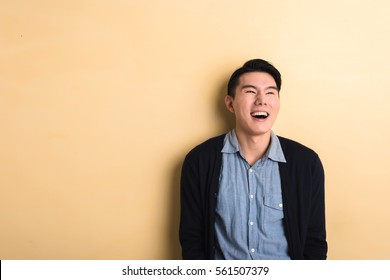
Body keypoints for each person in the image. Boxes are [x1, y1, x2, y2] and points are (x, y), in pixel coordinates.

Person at [179, 59, 327, 260]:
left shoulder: (306, 163)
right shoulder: (199, 161)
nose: (261, 100)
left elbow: (314, 241)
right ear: (230, 103)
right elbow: (192, 239)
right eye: (250, 91)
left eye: (270, 92)